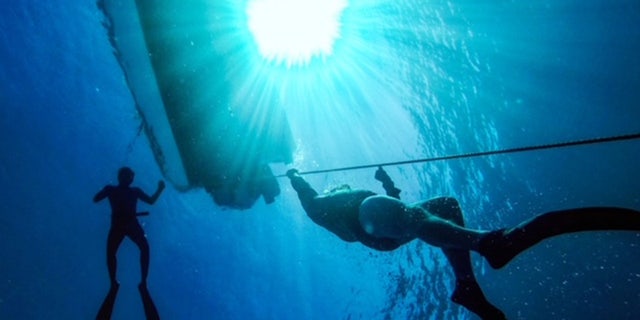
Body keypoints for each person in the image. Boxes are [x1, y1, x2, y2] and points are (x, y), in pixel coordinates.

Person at [286, 167, 640, 320]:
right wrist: (295, 175)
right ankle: (488, 243)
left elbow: (398, 212)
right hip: (369, 223)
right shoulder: (324, 206)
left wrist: (387, 182)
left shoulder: (352, 205)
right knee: (405, 214)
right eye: (336, 187)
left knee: (444, 205)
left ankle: (466, 285)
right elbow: (308, 194)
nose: (339, 186)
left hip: (383, 230)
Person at [93, 167, 165, 290]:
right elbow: (96, 199)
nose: (130, 179)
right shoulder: (112, 189)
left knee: (144, 248)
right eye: (128, 176)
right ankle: (114, 282)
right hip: (119, 225)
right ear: (121, 177)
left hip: (130, 224)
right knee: (111, 253)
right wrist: (105, 191)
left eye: (131, 176)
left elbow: (151, 201)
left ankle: (142, 281)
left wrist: (160, 189)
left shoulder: (134, 191)